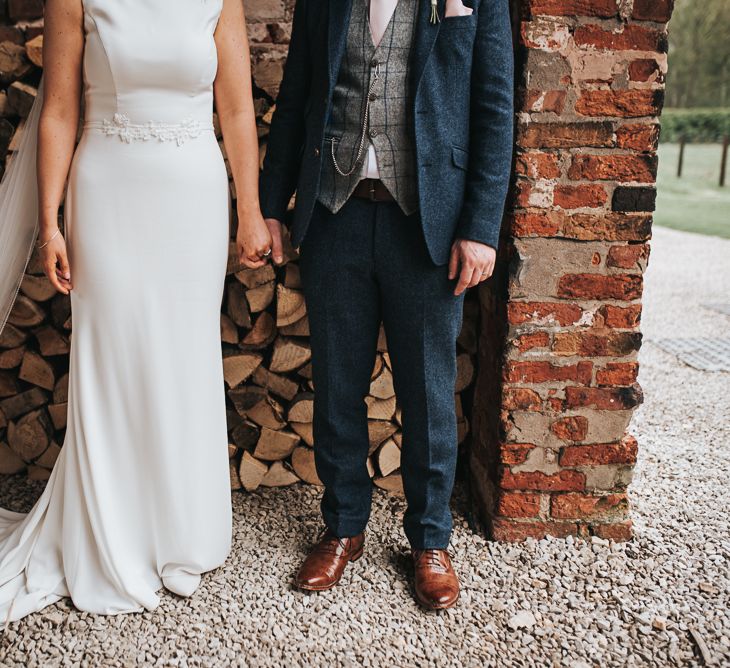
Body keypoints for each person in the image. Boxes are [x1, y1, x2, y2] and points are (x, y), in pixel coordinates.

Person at [0, 0, 272, 622]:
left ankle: (180, 533)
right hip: (109, 192)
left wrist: (251, 209)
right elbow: (60, 110)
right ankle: (111, 535)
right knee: (114, 360)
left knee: (181, 360)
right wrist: (50, 222)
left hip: (192, 197)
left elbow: (234, 108)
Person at [260, 0, 514, 610]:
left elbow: (494, 109)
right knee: (338, 384)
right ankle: (343, 525)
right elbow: (296, 98)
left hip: (425, 222)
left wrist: (480, 227)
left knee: (428, 388)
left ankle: (430, 540)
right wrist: (271, 205)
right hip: (334, 213)